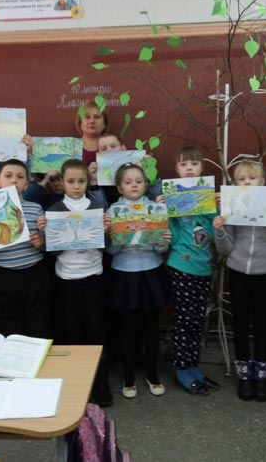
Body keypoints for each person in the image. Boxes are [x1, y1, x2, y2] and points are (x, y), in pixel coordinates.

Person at [38, 159, 113, 407]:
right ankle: (76, 386)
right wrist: (47, 234)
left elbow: (105, 246)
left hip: (94, 276)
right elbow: (52, 252)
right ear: (62, 182)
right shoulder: (55, 209)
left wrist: (105, 230)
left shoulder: (96, 207)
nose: (76, 186)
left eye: (81, 181)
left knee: (96, 331)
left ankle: (100, 383)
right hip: (67, 279)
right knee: (72, 332)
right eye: (71, 181)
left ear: (87, 182)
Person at [214, 161, 266, 401]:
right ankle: (244, 374)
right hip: (238, 271)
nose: (247, 182)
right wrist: (220, 231)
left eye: (252, 178)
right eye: (242, 179)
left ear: (263, 182)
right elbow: (225, 250)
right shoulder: (232, 210)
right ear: (235, 184)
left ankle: (262, 374)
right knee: (240, 324)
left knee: (263, 325)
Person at [106, 163, 171, 399]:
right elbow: (111, 251)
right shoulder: (113, 211)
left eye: (139, 181)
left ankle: (152, 373)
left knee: (151, 327)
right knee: (127, 328)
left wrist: (163, 241)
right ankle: (129, 375)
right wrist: (114, 238)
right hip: (124, 273)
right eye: (128, 182)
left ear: (146, 184)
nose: (134, 185)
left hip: (151, 271)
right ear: (119, 187)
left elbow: (160, 248)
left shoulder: (155, 208)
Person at [165, 146, 219, 395]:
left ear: (202, 168)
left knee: (198, 320)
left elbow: (215, 234)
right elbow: (172, 237)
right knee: (184, 319)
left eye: (194, 164)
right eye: (184, 164)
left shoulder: (208, 198)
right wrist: (164, 211)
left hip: (204, 267)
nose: (189, 168)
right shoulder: (172, 197)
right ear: (177, 169)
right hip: (181, 266)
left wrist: (218, 209)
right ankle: (181, 368)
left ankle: (193, 365)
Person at [0, 159, 51, 338]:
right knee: (10, 330)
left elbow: (46, 245)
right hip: (3, 277)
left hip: (35, 275)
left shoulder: (35, 209)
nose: (14, 180)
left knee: (38, 327)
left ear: (27, 184)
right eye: (8, 176)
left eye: (20, 177)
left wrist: (41, 242)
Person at [77, 100, 109, 167]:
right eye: (87, 117)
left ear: (104, 124)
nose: (92, 121)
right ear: (80, 123)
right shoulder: (69, 148)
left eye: (97, 117)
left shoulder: (112, 148)